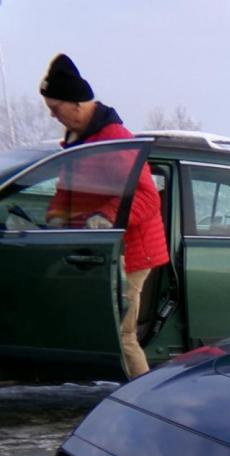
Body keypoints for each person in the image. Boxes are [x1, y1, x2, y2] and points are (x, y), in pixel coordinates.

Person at [40, 53, 169, 380]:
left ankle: (143, 399)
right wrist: (56, 217)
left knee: (121, 335)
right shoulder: (79, 140)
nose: (53, 115)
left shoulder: (115, 139)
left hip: (131, 252)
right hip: (98, 249)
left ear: (76, 104)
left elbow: (146, 197)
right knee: (100, 329)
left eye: (55, 108)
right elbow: (67, 189)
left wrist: (104, 218)